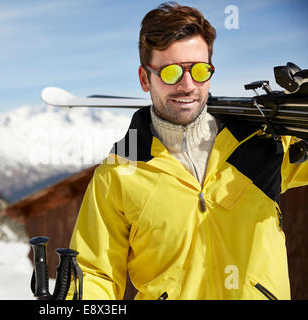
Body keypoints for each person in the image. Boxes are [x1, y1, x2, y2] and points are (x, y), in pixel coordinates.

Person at [67, 2, 308, 300]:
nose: (188, 85)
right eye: (171, 73)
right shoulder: (118, 172)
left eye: (200, 70)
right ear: (145, 79)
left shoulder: (263, 143)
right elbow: (94, 273)